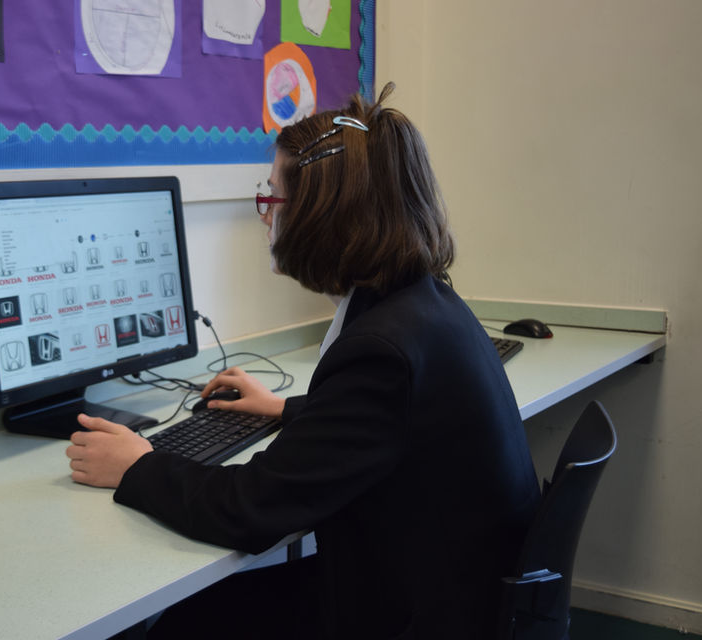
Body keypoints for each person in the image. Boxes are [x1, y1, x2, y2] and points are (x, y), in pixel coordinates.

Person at [65, 83, 541, 639]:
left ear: (321, 215)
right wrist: (286, 409)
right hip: (452, 591)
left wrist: (138, 466)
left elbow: (252, 510)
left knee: (185, 626)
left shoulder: (379, 349)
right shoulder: (424, 302)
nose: (264, 216)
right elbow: (384, 423)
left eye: (273, 197)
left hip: (419, 616)